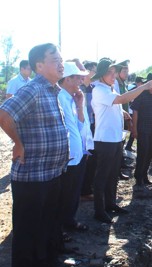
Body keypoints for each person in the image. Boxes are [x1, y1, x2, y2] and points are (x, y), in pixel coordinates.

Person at [0, 43, 68, 267]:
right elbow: (4, 114)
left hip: (52, 174)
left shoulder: (53, 90)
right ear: (39, 66)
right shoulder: (34, 89)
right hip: (32, 177)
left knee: (47, 227)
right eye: (54, 59)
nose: (61, 63)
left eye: (61, 58)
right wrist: (18, 143)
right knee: (28, 234)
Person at [91, 58, 152, 223]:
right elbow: (122, 99)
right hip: (104, 140)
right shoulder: (99, 90)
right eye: (110, 73)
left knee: (113, 175)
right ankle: (99, 210)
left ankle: (111, 204)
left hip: (115, 139)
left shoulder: (109, 88)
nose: (113, 76)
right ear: (101, 74)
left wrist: (122, 113)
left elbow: (114, 105)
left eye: (115, 73)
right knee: (102, 176)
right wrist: (143, 87)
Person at [57, 62, 93, 240]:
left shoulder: (75, 98)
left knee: (73, 193)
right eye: (78, 77)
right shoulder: (59, 97)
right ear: (68, 78)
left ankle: (69, 220)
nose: (81, 80)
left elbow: (80, 125)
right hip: (65, 156)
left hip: (78, 153)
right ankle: (59, 229)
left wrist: (79, 106)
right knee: (63, 195)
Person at [131, 72, 152, 187]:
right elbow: (135, 111)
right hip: (142, 129)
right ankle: (138, 176)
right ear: (148, 83)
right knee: (142, 153)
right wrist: (134, 129)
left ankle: (144, 175)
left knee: (150, 153)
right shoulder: (141, 94)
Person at [80, 61, 98, 200]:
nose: (95, 73)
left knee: (92, 158)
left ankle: (87, 187)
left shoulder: (93, 88)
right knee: (83, 159)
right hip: (81, 128)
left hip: (93, 126)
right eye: (93, 70)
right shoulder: (78, 89)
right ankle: (83, 191)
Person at [125, 76, 145, 151]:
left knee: (133, 129)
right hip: (131, 113)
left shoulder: (139, 91)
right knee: (132, 129)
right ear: (137, 83)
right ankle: (128, 146)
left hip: (134, 112)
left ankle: (129, 145)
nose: (142, 84)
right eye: (141, 83)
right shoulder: (133, 91)